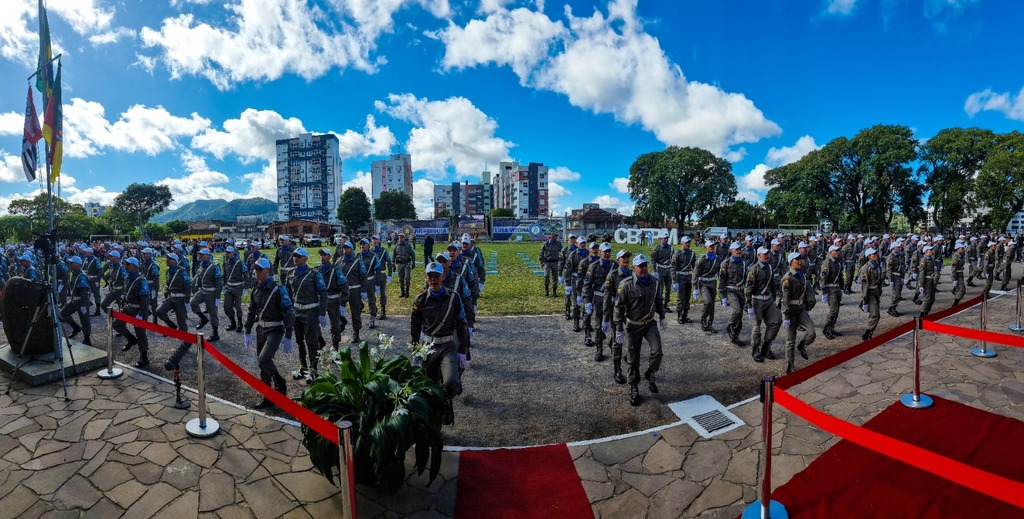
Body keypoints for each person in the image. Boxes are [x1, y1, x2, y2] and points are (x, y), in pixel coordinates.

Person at [411, 261, 471, 426]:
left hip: (447, 346)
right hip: (428, 347)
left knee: (451, 383)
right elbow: (415, 327)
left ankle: (447, 404)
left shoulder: (454, 298)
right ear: (425, 278)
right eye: (430, 276)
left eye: (436, 276)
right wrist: (416, 350)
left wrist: (463, 350)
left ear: (443, 276)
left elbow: (461, 323)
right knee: (426, 385)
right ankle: (431, 417)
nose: (433, 280)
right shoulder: (420, 300)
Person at [614, 254, 667, 407]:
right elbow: (619, 307)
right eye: (640, 266)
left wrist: (662, 316)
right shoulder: (626, 285)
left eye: (645, 265)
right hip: (633, 326)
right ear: (633, 268)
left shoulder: (654, 282)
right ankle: (633, 386)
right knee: (633, 359)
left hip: (649, 324)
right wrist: (619, 328)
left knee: (657, 351)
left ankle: (650, 372)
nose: (644, 268)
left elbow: (658, 300)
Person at [244, 257, 295, 409]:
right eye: (255, 269)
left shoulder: (278, 289)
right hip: (261, 329)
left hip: (275, 329)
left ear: (267, 271)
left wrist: (288, 335)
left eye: (259, 269)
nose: (256, 272)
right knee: (263, 367)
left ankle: (280, 382)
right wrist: (247, 330)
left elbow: (289, 312)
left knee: (263, 359)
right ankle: (267, 396)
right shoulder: (256, 289)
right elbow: (252, 311)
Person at [285, 247, 327, 382]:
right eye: (294, 256)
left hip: (311, 312)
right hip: (296, 312)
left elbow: (323, 293)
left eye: (299, 256)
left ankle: (314, 370)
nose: (295, 258)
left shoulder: (314, 274)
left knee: (311, 342)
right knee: (299, 341)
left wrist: (322, 313)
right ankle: (303, 368)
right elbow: (287, 295)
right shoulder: (290, 274)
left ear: (306, 258)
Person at [781, 252, 816, 374]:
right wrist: (785, 316)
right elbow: (784, 300)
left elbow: (808, 292)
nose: (800, 261)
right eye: (797, 259)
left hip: (801, 309)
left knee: (812, 332)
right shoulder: (788, 278)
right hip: (790, 311)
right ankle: (790, 364)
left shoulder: (803, 276)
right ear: (791, 262)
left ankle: (802, 345)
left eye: (800, 259)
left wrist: (808, 306)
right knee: (790, 340)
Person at [745, 247, 781, 362]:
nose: (767, 256)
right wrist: (749, 306)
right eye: (764, 254)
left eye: (767, 254)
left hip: (769, 299)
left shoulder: (770, 267)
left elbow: (772, 285)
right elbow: (748, 289)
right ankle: (755, 349)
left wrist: (774, 298)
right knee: (757, 327)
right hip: (757, 301)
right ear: (758, 256)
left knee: (777, 320)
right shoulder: (753, 269)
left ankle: (766, 346)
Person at [114, 257, 151, 368]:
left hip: (139, 309)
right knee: (116, 324)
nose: (126, 266)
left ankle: (144, 357)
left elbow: (145, 299)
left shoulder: (141, 280)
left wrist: (141, 313)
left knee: (141, 333)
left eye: (128, 264)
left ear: (135, 266)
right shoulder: (126, 278)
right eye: (125, 264)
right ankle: (131, 339)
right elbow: (127, 293)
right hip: (129, 307)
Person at [603, 249, 632, 384]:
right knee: (618, 341)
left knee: (633, 336)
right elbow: (607, 297)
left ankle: (628, 356)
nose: (626, 259)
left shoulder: (633, 274)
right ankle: (617, 368)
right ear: (618, 260)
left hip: (631, 311)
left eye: (628, 257)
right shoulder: (613, 276)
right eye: (623, 257)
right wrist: (605, 317)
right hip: (617, 311)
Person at [584, 243, 615, 361]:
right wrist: (587, 301)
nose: (607, 254)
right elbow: (587, 285)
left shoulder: (615, 265)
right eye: (605, 251)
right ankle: (599, 349)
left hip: (612, 300)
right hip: (599, 299)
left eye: (609, 251)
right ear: (600, 252)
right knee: (598, 326)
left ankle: (613, 345)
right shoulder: (593, 266)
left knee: (615, 324)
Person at [335, 241, 367, 343]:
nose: (345, 250)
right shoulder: (339, 261)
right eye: (344, 248)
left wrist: (363, 290)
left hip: (354, 290)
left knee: (355, 312)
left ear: (352, 249)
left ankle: (356, 333)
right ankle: (342, 322)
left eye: (347, 248)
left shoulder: (358, 262)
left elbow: (364, 276)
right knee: (338, 309)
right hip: (342, 291)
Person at [318, 248, 349, 349]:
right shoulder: (317, 271)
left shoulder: (336, 270)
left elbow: (344, 287)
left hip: (333, 301)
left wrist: (343, 304)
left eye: (325, 255)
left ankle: (335, 347)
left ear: (330, 257)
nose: (323, 257)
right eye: (321, 255)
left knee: (335, 325)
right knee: (314, 323)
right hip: (321, 301)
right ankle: (319, 342)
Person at [190, 248, 224, 341]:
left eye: (202, 254)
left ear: (208, 256)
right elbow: (198, 277)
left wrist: (217, 297)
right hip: (202, 290)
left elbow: (219, 283)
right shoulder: (201, 265)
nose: (199, 256)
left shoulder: (214, 266)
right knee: (193, 303)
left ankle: (215, 333)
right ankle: (203, 318)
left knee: (213, 313)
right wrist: (194, 286)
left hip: (212, 292)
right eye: (199, 254)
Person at [60, 256, 92, 346]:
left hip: (81, 301)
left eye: (71, 263)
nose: (69, 264)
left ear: (77, 264)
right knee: (63, 313)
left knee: (85, 320)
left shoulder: (81, 276)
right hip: (74, 300)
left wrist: (83, 305)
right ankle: (76, 328)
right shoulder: (75, 274)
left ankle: (87, 339)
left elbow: (84, 292)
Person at [155, 253, 191, 333]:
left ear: (175, 261)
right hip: (171, 298)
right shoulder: (168, 271)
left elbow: (188, 286)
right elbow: (168, 285)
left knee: (181, 322)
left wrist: (187, 301)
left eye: (169, 259)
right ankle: (171, 325)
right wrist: (166, 295)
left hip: (180, 299)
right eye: (167, 258)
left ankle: (185, 340)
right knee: (159, 311)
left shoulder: (182, 271)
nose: (166, 260)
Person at [720, 242, 747, 346]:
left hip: (741, 291)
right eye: (736, 249)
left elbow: (746, 278)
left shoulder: (743, 263)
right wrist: (723, 296)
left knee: (740, 315)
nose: (738, 251)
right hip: (730, 291)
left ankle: (735, 335)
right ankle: (729, 326)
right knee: (737, 310)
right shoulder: (725, 263)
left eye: (739, 249)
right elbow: (722, 281)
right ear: (731, 250)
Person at [576, 242, 601, 346]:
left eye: (596, 248)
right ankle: (587, 336)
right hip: (588, 291)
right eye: (593, 248)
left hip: (599, 292)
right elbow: (580, 279)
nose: (595, 250)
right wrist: (579, 293)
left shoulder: (601, 262)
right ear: (589, 250)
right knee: (588, 312)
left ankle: (598, 333)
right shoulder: (584, 262)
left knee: (599, 314)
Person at [693, 240, 719, 334]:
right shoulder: (702, 259)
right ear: (706, 248)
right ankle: (703, 320)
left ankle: (710, 323)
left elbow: (720, 271)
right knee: (707, 302)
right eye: (710, 246)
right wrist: (695, 288)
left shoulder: (717, 258)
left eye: (713, 246)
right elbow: (695, 274)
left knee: (712, 305)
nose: (712, 247)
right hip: (703, 283)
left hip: (713, 282)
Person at [819, 244, 844, 340]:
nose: (838, 252)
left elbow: (840, 276)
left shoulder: (838, 262)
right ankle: (826, 328)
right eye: (836, 251)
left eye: (838, 251)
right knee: (833, 310)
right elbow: (823, 278)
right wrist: (824, 292)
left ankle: (831, 327)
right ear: (830, 252)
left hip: (836, 288)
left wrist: (842, 288)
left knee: (837, 310)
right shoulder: (827, 263)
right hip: (830, 289)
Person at [222, 246, 248, 333]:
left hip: (238, 287)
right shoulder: (226, 263)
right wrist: (223, 285)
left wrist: (246, 287)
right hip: (229, 287)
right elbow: (224, 275)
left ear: (234, 253)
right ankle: (232, 322)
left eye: (229, 252)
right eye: (227, 252)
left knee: (238, 307)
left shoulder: (240, 263)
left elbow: (246, 274)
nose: (227, 254)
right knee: (226, 306)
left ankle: (240, 323)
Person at [671, 236, 697, 324]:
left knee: (687, 297)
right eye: (686, 243)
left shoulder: (692, 254)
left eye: (689, 242)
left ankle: (685, 315)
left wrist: (696, 278)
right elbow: (673, 268)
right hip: (680, 278)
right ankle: (679, 315)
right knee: (680, 298)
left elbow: (695, 267)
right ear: (682, 243)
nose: (688, 244)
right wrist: (674, 281)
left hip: (688, 278)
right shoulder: (677, 254)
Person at [859, 248, 882, 341]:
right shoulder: (865, 268)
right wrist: (864, 300)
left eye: (876, 253)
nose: (876, 255)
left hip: (876, 293)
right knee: (875, 314)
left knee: (875, 315)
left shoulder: (877, 266)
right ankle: (867, 334)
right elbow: (864, 285)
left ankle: (870, 333)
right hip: (869, 294)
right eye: (873, 254)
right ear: (869, 256)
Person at [369, 235, 394, 320]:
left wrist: (390, 274)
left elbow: (389, 262)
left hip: (382, 274)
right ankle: (373, 309)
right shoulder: (370, 251)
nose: (374, 241)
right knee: (372, 293)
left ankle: (383, 311)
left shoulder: (384, 251)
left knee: (382, 293)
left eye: (376, 239)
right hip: (373, 275)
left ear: (379, 241)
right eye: (373, 240)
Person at [883, 240, 907, 317]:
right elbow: (888, 269)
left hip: (899, 276)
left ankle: (894, 308)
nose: (899, 248)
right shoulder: (890, 257)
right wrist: (890, 280)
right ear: (893, 248)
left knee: (898, 294)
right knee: (896, 294)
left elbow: (901, 266)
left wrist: (902, 276)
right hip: (894, 277)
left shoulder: (898, 255)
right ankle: (891, 309)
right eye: (897, 247)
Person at [100, 250, 127, 315]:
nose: (109, 257)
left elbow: (125, 281)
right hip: (113, 291)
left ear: (116, 257)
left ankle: (121, 323)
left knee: (123, 310)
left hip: (120, 291)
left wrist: (124, 293)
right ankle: (114, 317)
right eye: (109, 256)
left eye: (111, 256)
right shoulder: (112, 266)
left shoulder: (121, 268)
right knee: (104, 305)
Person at [651, 235, 674, 309]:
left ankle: (666, 304)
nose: (666, 240)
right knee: (660, 288)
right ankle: (659, 304)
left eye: (667, 238)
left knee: (668, 288)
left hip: (668, 269)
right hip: (660, 269)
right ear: (661, 239)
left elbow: (673, 259)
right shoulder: (657, 248)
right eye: (665, 238)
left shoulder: (671, 248)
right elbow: (653, 259)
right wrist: (654, 270)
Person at [560, 235, 580, 320]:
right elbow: (561, 262)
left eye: (573, 239)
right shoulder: (564, 250)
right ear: (568, 240)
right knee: (567, 294)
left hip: (576, 275)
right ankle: (567, 310)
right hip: (568, 275)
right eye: (571, 238)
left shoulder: (578, 249)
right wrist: (560, 275)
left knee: (576, 294)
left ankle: (576, 312)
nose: (572, 240)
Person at [540, 231, 563, 297]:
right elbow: (541, 252)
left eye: (556, 236)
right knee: (546, 276)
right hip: (547, 262)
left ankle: (554, 292)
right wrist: (541, 262)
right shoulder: (546, 243)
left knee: (555, 277)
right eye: (554, 236)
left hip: (555, 262)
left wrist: (562, 260)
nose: (556, 237)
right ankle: (546, 291)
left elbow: (562, 252)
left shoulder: (558, 244)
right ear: (551, 236)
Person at [82, 247, 104, 315]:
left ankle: (98, 310)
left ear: (90, 252)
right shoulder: (86, 259)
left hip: (94, 280)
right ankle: (88, 305)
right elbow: (84, 269)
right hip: (88, 279)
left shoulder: (95, 260)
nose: (85, 253)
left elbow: (100, 270)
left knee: (96, 295)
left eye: (86, 252)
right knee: (85, 293)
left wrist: (97, 280)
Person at [394, 234, 416, 298]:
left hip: (407, 263)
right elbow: (394, 255)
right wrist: (393, 265)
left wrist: (413, 262)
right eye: (400, 237)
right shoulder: (396, 246)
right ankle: (402, 292)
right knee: (401, 279)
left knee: (407, 277)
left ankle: (407, 292)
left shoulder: (408, 246)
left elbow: (412, 254)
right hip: (400, 264)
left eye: (402, 237)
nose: (401, 238)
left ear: (404, 238)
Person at [919, 245, 938, 316]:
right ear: (926, 251)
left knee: (932, 299)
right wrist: (921, 285)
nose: (932, 251)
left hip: (931, 280)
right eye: (930, 250)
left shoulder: (932, 259)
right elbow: (922, 273)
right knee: (927, 299)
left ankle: (926, 312)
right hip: (926, 281)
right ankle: (922, 314)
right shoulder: (923, 260)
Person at [950, 241, 967, 306]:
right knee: (962, 289)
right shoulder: (956, 256)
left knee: (960, 290)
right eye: (961, 248)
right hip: (956, 275)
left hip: (960, 274)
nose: (962, 249)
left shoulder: (961, 255)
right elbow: (953, 268)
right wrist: (954, 279)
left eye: (963, 248)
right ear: (957, 249)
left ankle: (956, 302)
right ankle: (955, 304)